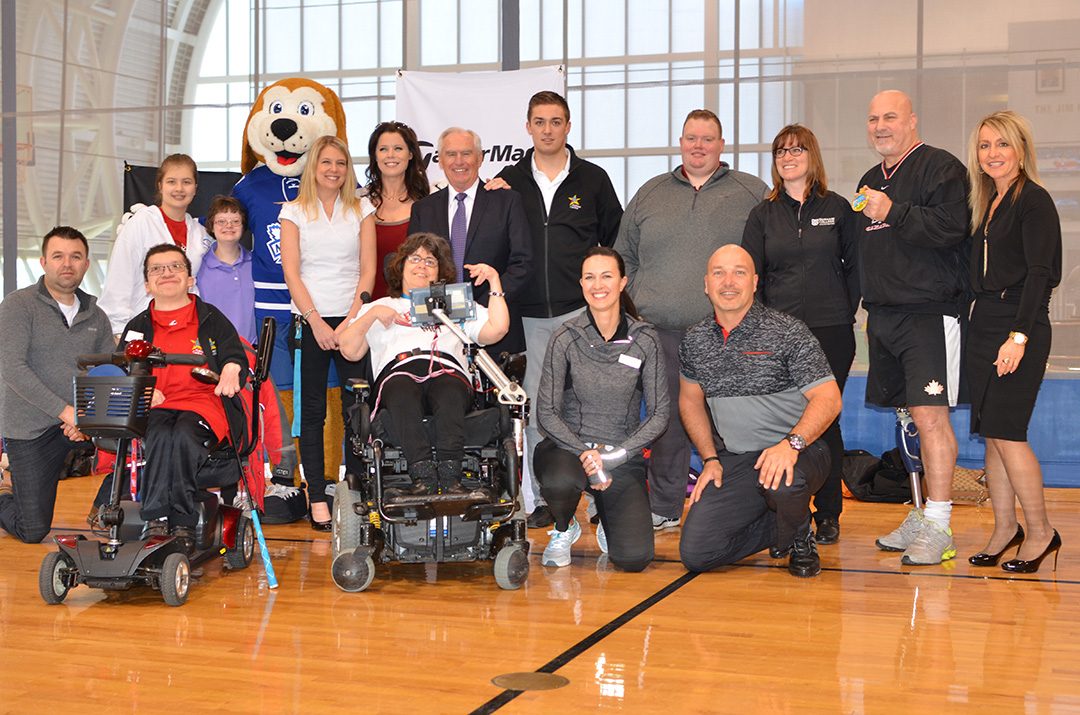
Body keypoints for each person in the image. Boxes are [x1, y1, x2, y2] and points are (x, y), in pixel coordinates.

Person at [614, 108, 767, 531]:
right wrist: (639, 303)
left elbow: (769, 257)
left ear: (722, 145)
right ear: (680, 143)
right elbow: (623, 256)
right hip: (658, 330)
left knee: (728, 420)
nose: (698, 146)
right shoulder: (650, 192)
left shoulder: (751, 191)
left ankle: (738, 504)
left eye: (707, 138)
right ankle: (664, 507)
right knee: (664, 421)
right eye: (690, 138)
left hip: (725, 332)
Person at [486, 90, 625, 530]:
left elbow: (613, 243)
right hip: (523, 318)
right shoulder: (506, 182)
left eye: (556, 121)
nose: (548, 129)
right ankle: (541, 495)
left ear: (568, 126)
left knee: (584, 405)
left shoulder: (593, 180)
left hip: (577, 315)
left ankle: (600, 495)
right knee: (530, 409)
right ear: (527, 127)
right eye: (539, 121)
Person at [855, 90, 971, 565]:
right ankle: (921, 514)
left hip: (928, 314)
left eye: (890, 117)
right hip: (883, 317)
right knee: (907, 421)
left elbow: (952, 228)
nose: (880, 125)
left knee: (930, 417)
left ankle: (940, 524)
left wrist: (893, 212)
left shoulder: (942, 168)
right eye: (873, 118)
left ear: (912, 121)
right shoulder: (867, 179)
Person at [678, 245, 841, 578]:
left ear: (755, 282)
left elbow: (829, 399)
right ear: (706, 284)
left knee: (782, 485)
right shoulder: (694, 340)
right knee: (698, 553)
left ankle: (799, 538)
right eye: (719, 273)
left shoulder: (788, 332)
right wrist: (710, 459)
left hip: (801, 451)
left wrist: (790, 445)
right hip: (739, 460)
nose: (728, 282)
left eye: (739, 272)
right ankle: (783, 523)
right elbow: (689, 401)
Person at [741, 124, 860, 547]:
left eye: (796, 150)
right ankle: (792, 514)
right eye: (780, 151)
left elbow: (855, 269)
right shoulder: (762, 214)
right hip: (780, 335)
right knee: (785, 421)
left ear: (812, 155)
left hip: (832, 331)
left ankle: (828, 513)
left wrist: (844, 312)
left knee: (825, 419)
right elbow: (752, 276)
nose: (788, 157)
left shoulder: (839, 208)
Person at [964, 111, 1062, 573]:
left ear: (1021, 150)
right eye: (985, 146)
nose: (993, 154)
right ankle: (1006, 528)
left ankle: (1041, 531)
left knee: (1009, 433)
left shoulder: (1034, 201)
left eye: (1002, 144)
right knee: (991, 436)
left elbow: (1041, 275)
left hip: (1017, 327)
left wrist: (1018, 336)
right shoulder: (988, 202)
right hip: (984, 326)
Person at [339, 233, 508, 494]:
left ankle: (452, 477)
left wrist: (495, 281)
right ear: (401, 266)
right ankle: (424, 475)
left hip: (446, 369)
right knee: (402, 387)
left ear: (440, 271)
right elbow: (349, 351)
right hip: (399, 372)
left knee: (449, 387)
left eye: (430, 261)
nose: (422, 265)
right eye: (415, 259)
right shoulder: (383, 305)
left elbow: (496, 330)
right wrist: (371, 315)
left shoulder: (453, 304)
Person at [535, 247, 668, 571]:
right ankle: (565, 527)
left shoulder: (645, 339)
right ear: (581, 284)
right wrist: (588, 455)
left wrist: (613, 456)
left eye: (607, 276)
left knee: (634, 559)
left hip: (620, 455)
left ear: (623, 282)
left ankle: (607, 515)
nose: (599, 285)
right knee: (559, 482)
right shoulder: (565, 338)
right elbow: (546, 413)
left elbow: (659, 414)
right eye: (590, 277)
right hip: (568, 450)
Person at [117, 244, 246, 552]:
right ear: (147, 284)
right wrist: (143, 390)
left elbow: (233, 355)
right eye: (157, 269)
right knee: (161, 433)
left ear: (190, 279)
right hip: (158, 404)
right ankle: (158, 519)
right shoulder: (137, 327)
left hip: (203, 403)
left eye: (175, 267)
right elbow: (122, 368)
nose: (166, 273)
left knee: (185, 433)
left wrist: (230, 369)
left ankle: (184, 522)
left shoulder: (211, 317)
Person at [279, 134, 377, 530]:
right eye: (326, 163)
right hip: (308, 324)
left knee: (358, 412)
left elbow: (367, 270)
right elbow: (291, 272)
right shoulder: (293, 212)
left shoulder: (362, 208)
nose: (334, 170)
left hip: (353, 321)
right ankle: (316, 495)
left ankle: (355, 492)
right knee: (312, 414)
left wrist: (353, 320)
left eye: (340, 163)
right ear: (314, 167)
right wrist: (317, 321)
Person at [0, 227, 115, 543]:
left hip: (80, 425)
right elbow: (12, 368)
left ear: (86, 264)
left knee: (143, 436)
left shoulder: (97, 316)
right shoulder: (18, 305)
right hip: (31, 429)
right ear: (43, 262)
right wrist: (68, 413)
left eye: (76, 256)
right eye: (58, 256)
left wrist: (88, 421)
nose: (67, 264)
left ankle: (108, 510)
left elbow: (108, 374)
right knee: (32, 530)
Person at [409, 127, 532, 357]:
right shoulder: (423, 209)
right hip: (438, 332)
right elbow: (413, 268)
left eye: (466, 153)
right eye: (451, 154)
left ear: (480, 158)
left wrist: (484, 306)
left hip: (495, 325)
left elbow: (523, 263)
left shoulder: (507, 202)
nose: (459, 161)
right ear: (440, 160)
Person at [99, 153, 211, 337]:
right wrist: (121, 333)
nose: (179, 188)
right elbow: (119, 278)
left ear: (195, 188)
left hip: (185, 327)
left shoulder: (200, 233)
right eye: (171, 181)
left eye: (186, 182)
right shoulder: (141, 223)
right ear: (160, 185)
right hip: (142, 326)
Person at [364, 121, 430, 299]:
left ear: (410, 154)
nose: (390, 155)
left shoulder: (428, 204)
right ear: (375, 155)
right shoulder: (358, 202)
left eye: (398, 148)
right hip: (363, 305)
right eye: (383, 149)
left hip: (412, 309)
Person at [196, 195, 256, 343]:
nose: (228, 226)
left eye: (235, 221)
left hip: (251, 350)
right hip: (211, 351)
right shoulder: (198, 266)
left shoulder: (256, 264)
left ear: (243, 226)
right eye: (221, 221)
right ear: (211, 226)